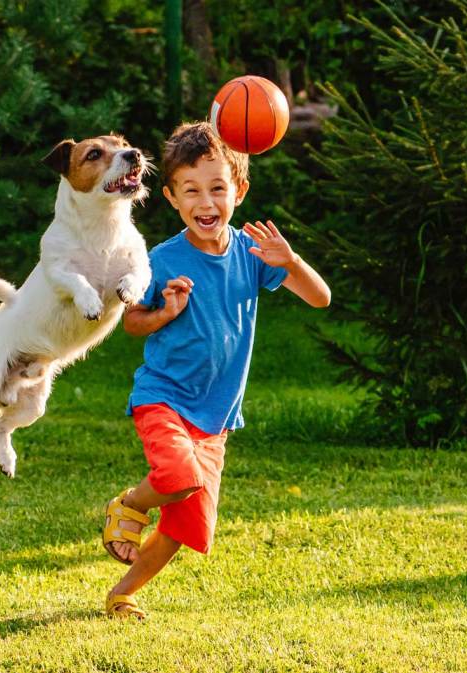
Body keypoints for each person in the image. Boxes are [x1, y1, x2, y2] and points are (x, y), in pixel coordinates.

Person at [100, 121, 332, 619]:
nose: (206, 202)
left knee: (185, 526)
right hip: (164, 397)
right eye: (191, 191)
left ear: (239, 191)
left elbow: (320, 298)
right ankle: (130, 505)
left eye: (217, 188)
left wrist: (291, 261)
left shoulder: (253, 254)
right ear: (171, 197)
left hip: (215, 417)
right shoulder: (162, 259)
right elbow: (132, 322)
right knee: (178, 475)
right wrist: (165, 312)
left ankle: (123, 593)